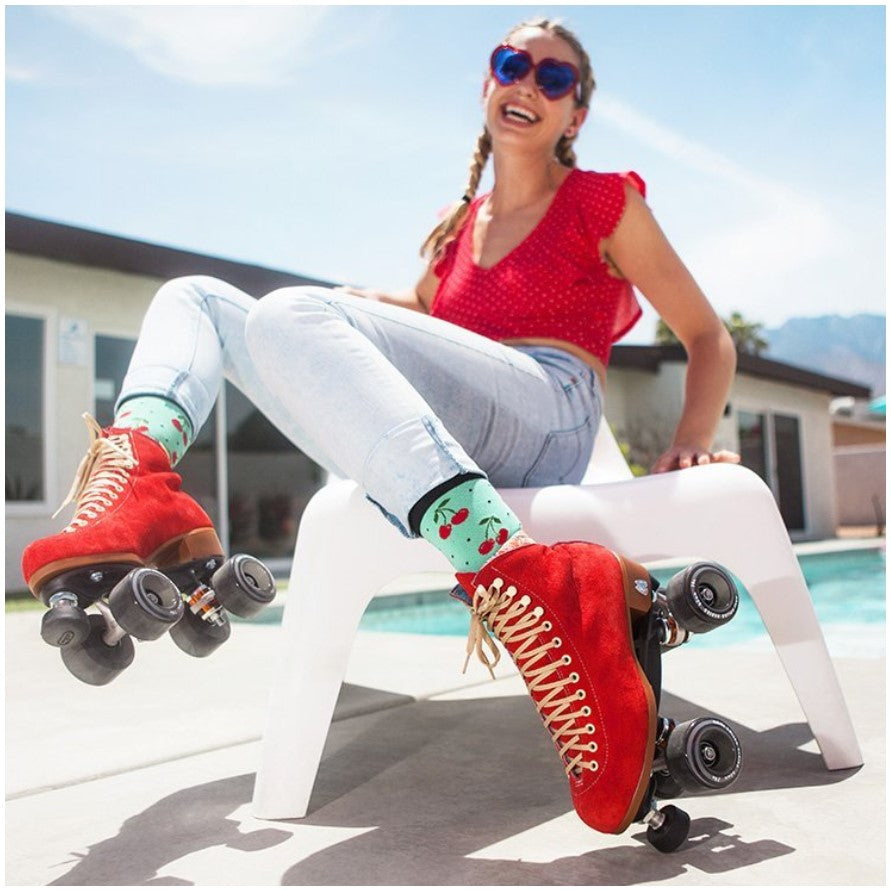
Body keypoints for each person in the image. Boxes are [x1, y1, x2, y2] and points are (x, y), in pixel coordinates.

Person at [23, 18, 738, 837]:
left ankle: (534, 586)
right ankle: (140, 478)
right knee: (199, 299)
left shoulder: (602, 201)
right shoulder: (450, 231)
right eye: (512, 64)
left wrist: (688, 433)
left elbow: (706, 335)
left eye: (554, 78)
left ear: (574, 114)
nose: (527, 84)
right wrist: (347, 312)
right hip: (447, 431)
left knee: (292, 315)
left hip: (549, 408)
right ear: (485, 83)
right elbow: (417, 327)